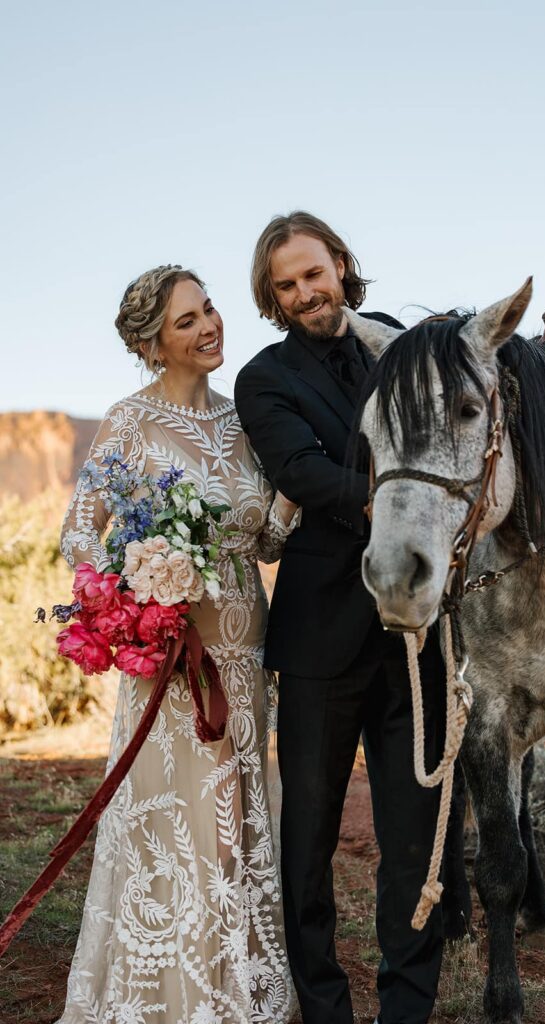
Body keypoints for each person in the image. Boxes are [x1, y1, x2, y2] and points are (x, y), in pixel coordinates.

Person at [234, 211, 545, 1024]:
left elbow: (497, 377)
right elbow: (305, 474)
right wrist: (409, 508)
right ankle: (323, 1005)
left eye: (315, 272)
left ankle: (405, 1009)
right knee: (306, 846)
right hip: (319, 645)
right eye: (286, 284)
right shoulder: (263, 378)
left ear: (340, 265)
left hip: (424, 639)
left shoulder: (396, 340)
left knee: (416, 846)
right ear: (272, 298)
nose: (306, 292)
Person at [57, 265, 298, 1024]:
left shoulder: (244, 421)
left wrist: (297, 480)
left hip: (245, 656)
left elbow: (266, 541)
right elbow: (77, 530)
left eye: (210, 308)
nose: (209, 326)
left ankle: (237, 991)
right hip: (168, 663)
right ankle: (174, 996)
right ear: (152, 344)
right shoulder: (129, 422)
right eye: (188, 320)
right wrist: (130, 597)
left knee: (236, 821)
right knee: (176, 820)